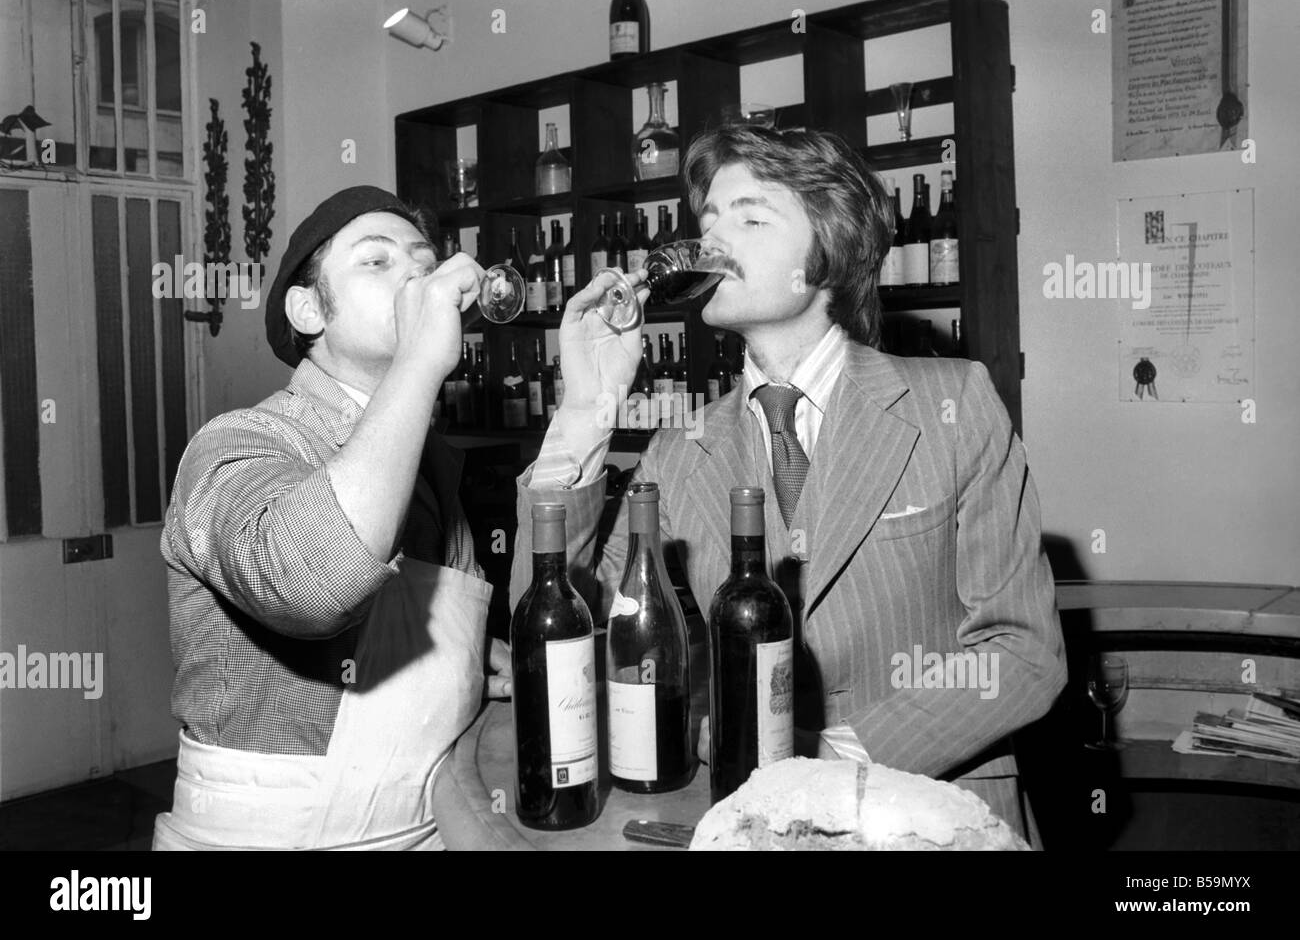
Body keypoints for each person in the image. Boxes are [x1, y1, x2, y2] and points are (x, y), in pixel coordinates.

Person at [511, 126, 1067, 846]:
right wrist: (585, 410)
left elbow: (1022, 652)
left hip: (931, 815)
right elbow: (562, 640)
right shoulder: (679, 451)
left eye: (749, 216)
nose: (712, 236)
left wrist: (833, 760)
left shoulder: (954, 407)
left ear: (826, 249)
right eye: (707, 219)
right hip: (743, 822)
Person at [152, 186, 639, 850]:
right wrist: (420, 360)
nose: (417, 276)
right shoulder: (239, 443)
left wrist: (587, 404)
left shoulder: (431, 466)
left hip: (437, 820)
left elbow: (542, 604)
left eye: (423, 260)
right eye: (377, 262)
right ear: (307, 309)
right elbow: (313, 581)